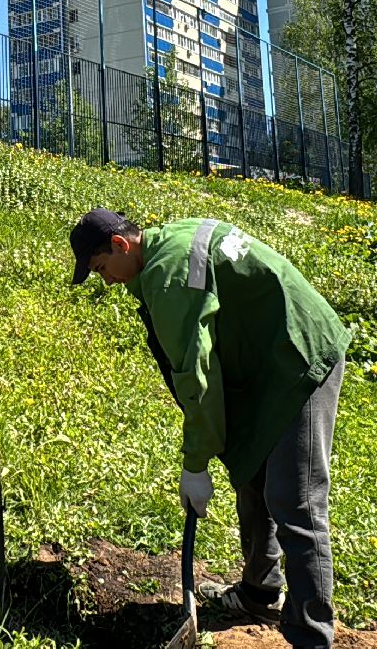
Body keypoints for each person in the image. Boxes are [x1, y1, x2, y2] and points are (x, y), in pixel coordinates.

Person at [69, 209, 352, 649]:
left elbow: (197, 379)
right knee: (253, 477)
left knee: (295, 503)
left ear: (121, 245)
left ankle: (311, 637)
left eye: (102, 268)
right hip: (265, 362)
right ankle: (259, 593)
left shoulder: (168, 277)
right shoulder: (168, 242)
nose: (107, 281)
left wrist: (195, 464)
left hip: (298, 359)